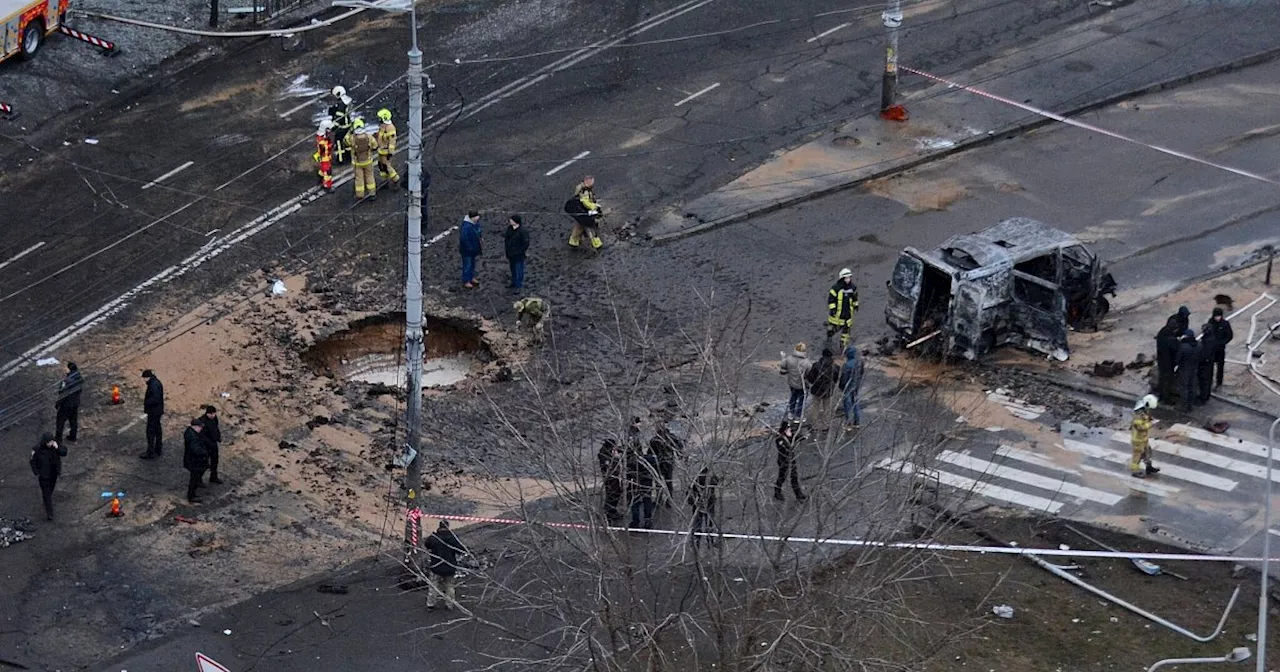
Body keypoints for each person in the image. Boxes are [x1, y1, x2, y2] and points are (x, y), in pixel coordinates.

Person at [424, 520, 470, 610]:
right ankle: (449, 604)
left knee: (433, 586)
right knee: (450, 586)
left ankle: (430, 604)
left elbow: (427, 545)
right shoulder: (452, 538)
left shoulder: (433, 538)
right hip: (449, 566)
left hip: (436, 566)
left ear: (439, 527)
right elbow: (461, 550)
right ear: (448, 527)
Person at [29, 433, 67, 521]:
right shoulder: (37, 449)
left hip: (53, 473)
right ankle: (50, 513)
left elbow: (64, 452)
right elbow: (32, 461)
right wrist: (36, 472)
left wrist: (57, 447)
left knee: (50, 490)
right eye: (49, 442)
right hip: (44, 475)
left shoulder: (55, 446)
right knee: (46, 493)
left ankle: (47, 502)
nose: (50, 444)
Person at [649, 418, 683, 507]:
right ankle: (669, 500)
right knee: (668, 482)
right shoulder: (672, 437)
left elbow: (650, 453)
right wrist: (680, 456)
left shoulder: (654, 440)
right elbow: (679, 447)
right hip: (669, 462)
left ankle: (659, 500)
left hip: (658, 463)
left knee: (659, 482)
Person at [625, 440, 658, 529]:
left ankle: (635, 521)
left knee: (635, 502)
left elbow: (627, 472)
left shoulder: (630, 461)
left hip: (634, 482)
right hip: (646, 482)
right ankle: (647, 520)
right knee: (647, 501)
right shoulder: (647, 459)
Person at [565, 175, 604, 250]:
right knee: (590, 226)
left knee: (579, 225)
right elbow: (586, 202)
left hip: (579, 211)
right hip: (583, 211)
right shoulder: (585, 191)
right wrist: (595, 207)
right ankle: (596, 243)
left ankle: (573, 241)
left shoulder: (582, 189)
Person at [773, 419, 807, 502]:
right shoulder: (780, 439)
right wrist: (789, 438)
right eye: (788, 429)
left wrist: (803, 436)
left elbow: (797, 438)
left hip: (792, 459)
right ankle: (777, 492)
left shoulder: (790, 436)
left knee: (794, 477)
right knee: (782, 477)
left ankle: (798, 494)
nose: (790, 430)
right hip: (783, 460)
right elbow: (783, 448)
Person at [826, 268, 859, 349]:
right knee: (834, 328)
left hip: (847, 313)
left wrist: (856, 305)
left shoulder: (853, 287)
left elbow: (855, 298)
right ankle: (829, 337)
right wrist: (833, 309)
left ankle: (843, 345)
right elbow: (831, 299)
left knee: (846, 331)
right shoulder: (836, 288)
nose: (848, 280)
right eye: (846, 278)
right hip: (837, 314)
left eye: (849, 277)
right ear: (842, 278)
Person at [687, 466, 719, 547]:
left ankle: (696, 541)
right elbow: (716, 481)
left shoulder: (695, 478)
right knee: (709, 523)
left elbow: (690, 490)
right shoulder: (710, 478)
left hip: (698, 503)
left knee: (697, 523)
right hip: (709, 503)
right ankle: (710, 541)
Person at [1129, 394, 1160, 478]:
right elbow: (1140, 427)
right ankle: (1135, 471)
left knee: (1148, 452)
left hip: (1143, 438)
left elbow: (1146, 418)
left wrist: (1150, 419)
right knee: (1137, 455)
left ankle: (1148, 467)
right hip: (1137, 440)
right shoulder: (1138, 414)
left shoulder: (1144, 410)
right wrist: (1151, 424)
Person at [779, 342, 811, 419]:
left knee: (793, 397)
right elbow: (810, 373)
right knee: (802, 400)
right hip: (802, 384)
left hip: (792, 383)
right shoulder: (806, 362)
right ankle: (798, 415)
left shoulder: (789, 359)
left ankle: (791, 412)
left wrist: (783, 358)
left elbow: (783, 366)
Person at [347, 119, 378, 200]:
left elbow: (345, 141)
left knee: (359, 179)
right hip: (368, 161)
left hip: (357, 163)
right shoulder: (369, 137)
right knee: (370, 176)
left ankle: (360, 195)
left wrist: (350, 132)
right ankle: (372, 193)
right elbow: (375, 145)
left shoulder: (352, 138)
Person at [1204, 307, 1234, 389]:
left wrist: (1223, 342)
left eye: (1219, 316)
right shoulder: (1210, 323)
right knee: (1209, 366)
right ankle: (1209, 382)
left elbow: (1230, 335)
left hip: (1220, 349)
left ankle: (1219, 382)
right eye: (1216, 316)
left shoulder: (1225, 324)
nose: (1217, 318)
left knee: (1220, 366)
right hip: (1211, 349)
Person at [1154, 315, 1181, 403]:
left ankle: (1161, 395)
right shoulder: (1171, 340)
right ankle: (1166, 398)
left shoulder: (1162, 333)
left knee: (1162, 378)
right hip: (1168, 363)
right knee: (1168, 380)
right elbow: (1176, 350)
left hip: (1161, 360)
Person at [54, 362, 83, 443]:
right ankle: (73, 436)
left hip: (66, 404)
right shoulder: (79, 378)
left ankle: (58, 438)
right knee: (73, 420)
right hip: (75, 403)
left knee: (60, 421)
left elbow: (62, 393)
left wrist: (58, 404)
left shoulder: (66, 381)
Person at [182, 418, 209, 504]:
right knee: (194, 478)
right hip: (194, 461)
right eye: (200, 427)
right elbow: (196, 450)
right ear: (195, 427)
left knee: (198, 475)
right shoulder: (192, 437)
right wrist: (205, 452)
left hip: (194, 460)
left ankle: (197, 485)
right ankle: (191, 496)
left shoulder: (192, 433)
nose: (201, 429)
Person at [597, 439, 624, 523]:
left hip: (613, 477)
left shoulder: (607, 452)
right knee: (612, 494)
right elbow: (610, 466)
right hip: (610, 478)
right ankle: (609, 512)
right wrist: (616, 458)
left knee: (616, 493)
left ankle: (612, 511)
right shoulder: (605, 455)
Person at [839, 344, 865, 429]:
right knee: (855, 402)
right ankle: (857, 421)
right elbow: (861, 373)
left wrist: (842, 386)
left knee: (847, 404)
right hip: (856, 385)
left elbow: (844, 378)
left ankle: (848, 422)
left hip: (848, 386)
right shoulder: (859, 362)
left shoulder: (846, 365)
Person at [1174, 329, 1200, 412]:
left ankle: (1183, 406)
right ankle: (1190, 405)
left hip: (1184, 369)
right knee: (1192, 387)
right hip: (1194, 368)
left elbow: (1177, 359)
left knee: (1184, 387)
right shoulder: (1198, 345)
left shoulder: (1183, 346)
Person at [141, 369, 164, 459]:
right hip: (157, 411)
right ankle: (158, 449)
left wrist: (146, 403)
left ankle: (150, 452)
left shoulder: (153, 385)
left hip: (153, 412)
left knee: (150, 432)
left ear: (147, 377)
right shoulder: (156, 383)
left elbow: (155, 398)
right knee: (157, 430)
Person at [328, 86, 354, 165]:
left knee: (339, 143)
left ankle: (341, 159)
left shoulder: (341, 104)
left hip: (342, 127)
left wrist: (333, 126)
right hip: (348, 125)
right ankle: (349, 158)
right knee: (347, 143)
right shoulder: (347, 100)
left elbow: (339, 117)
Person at [503, 214, 530, 290]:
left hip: (518, 255)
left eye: (511, 220)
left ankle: (518, 286)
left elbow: (526, 243)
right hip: (511, 254)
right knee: (513, 270)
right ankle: (514, 283)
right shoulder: (510, 229)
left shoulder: (523, 231)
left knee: (519, 271)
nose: (510, 221)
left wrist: (520, 251)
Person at [375, 108, 400, 187]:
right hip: (381, 150)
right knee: (381, 165)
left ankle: (395, 179)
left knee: (386, 166)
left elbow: (392, 141)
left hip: (386, 151)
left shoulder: (390, 128)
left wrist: (390, 152)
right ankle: (385, 181)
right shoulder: (383, 126)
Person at [1196, 324, 1218, 405]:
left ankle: (1203, 397)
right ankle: (1205, 395)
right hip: (1209, 363)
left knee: (1204, 381)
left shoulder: (1207, 341)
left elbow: (1205, 354)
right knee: (1208, 380)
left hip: (1205, 364)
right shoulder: (1212, 339)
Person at [459, 211, 482, 288]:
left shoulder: (474, 224)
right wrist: (470, 247)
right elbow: (464, 239)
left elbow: (478, 231)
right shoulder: (466, 227)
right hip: (467, 250)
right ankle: (466, 280)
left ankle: (471, 277)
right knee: (468, 265)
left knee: (472, 264)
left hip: (473, 248)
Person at [202, 405, 223, 485]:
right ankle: (198, 480)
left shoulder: (214, 418)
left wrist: (218, 437)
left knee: (215, 461)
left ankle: (213, 477)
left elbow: (216, 428)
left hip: (213, 444)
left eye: (214, 414)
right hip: (206, 446)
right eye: (211, 414)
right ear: (207, 413)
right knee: (203, 463)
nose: (213, 416)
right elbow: (202, 436)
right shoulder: (202, 421)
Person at [313, 119, 335, 192]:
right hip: (325, 158)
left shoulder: (322, 136)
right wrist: (330, 145)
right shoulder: (322, 140)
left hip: (325, 157)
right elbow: (324, 150)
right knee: (328, 172)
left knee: (323, 170)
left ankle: (320, 178)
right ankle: (327, 186)